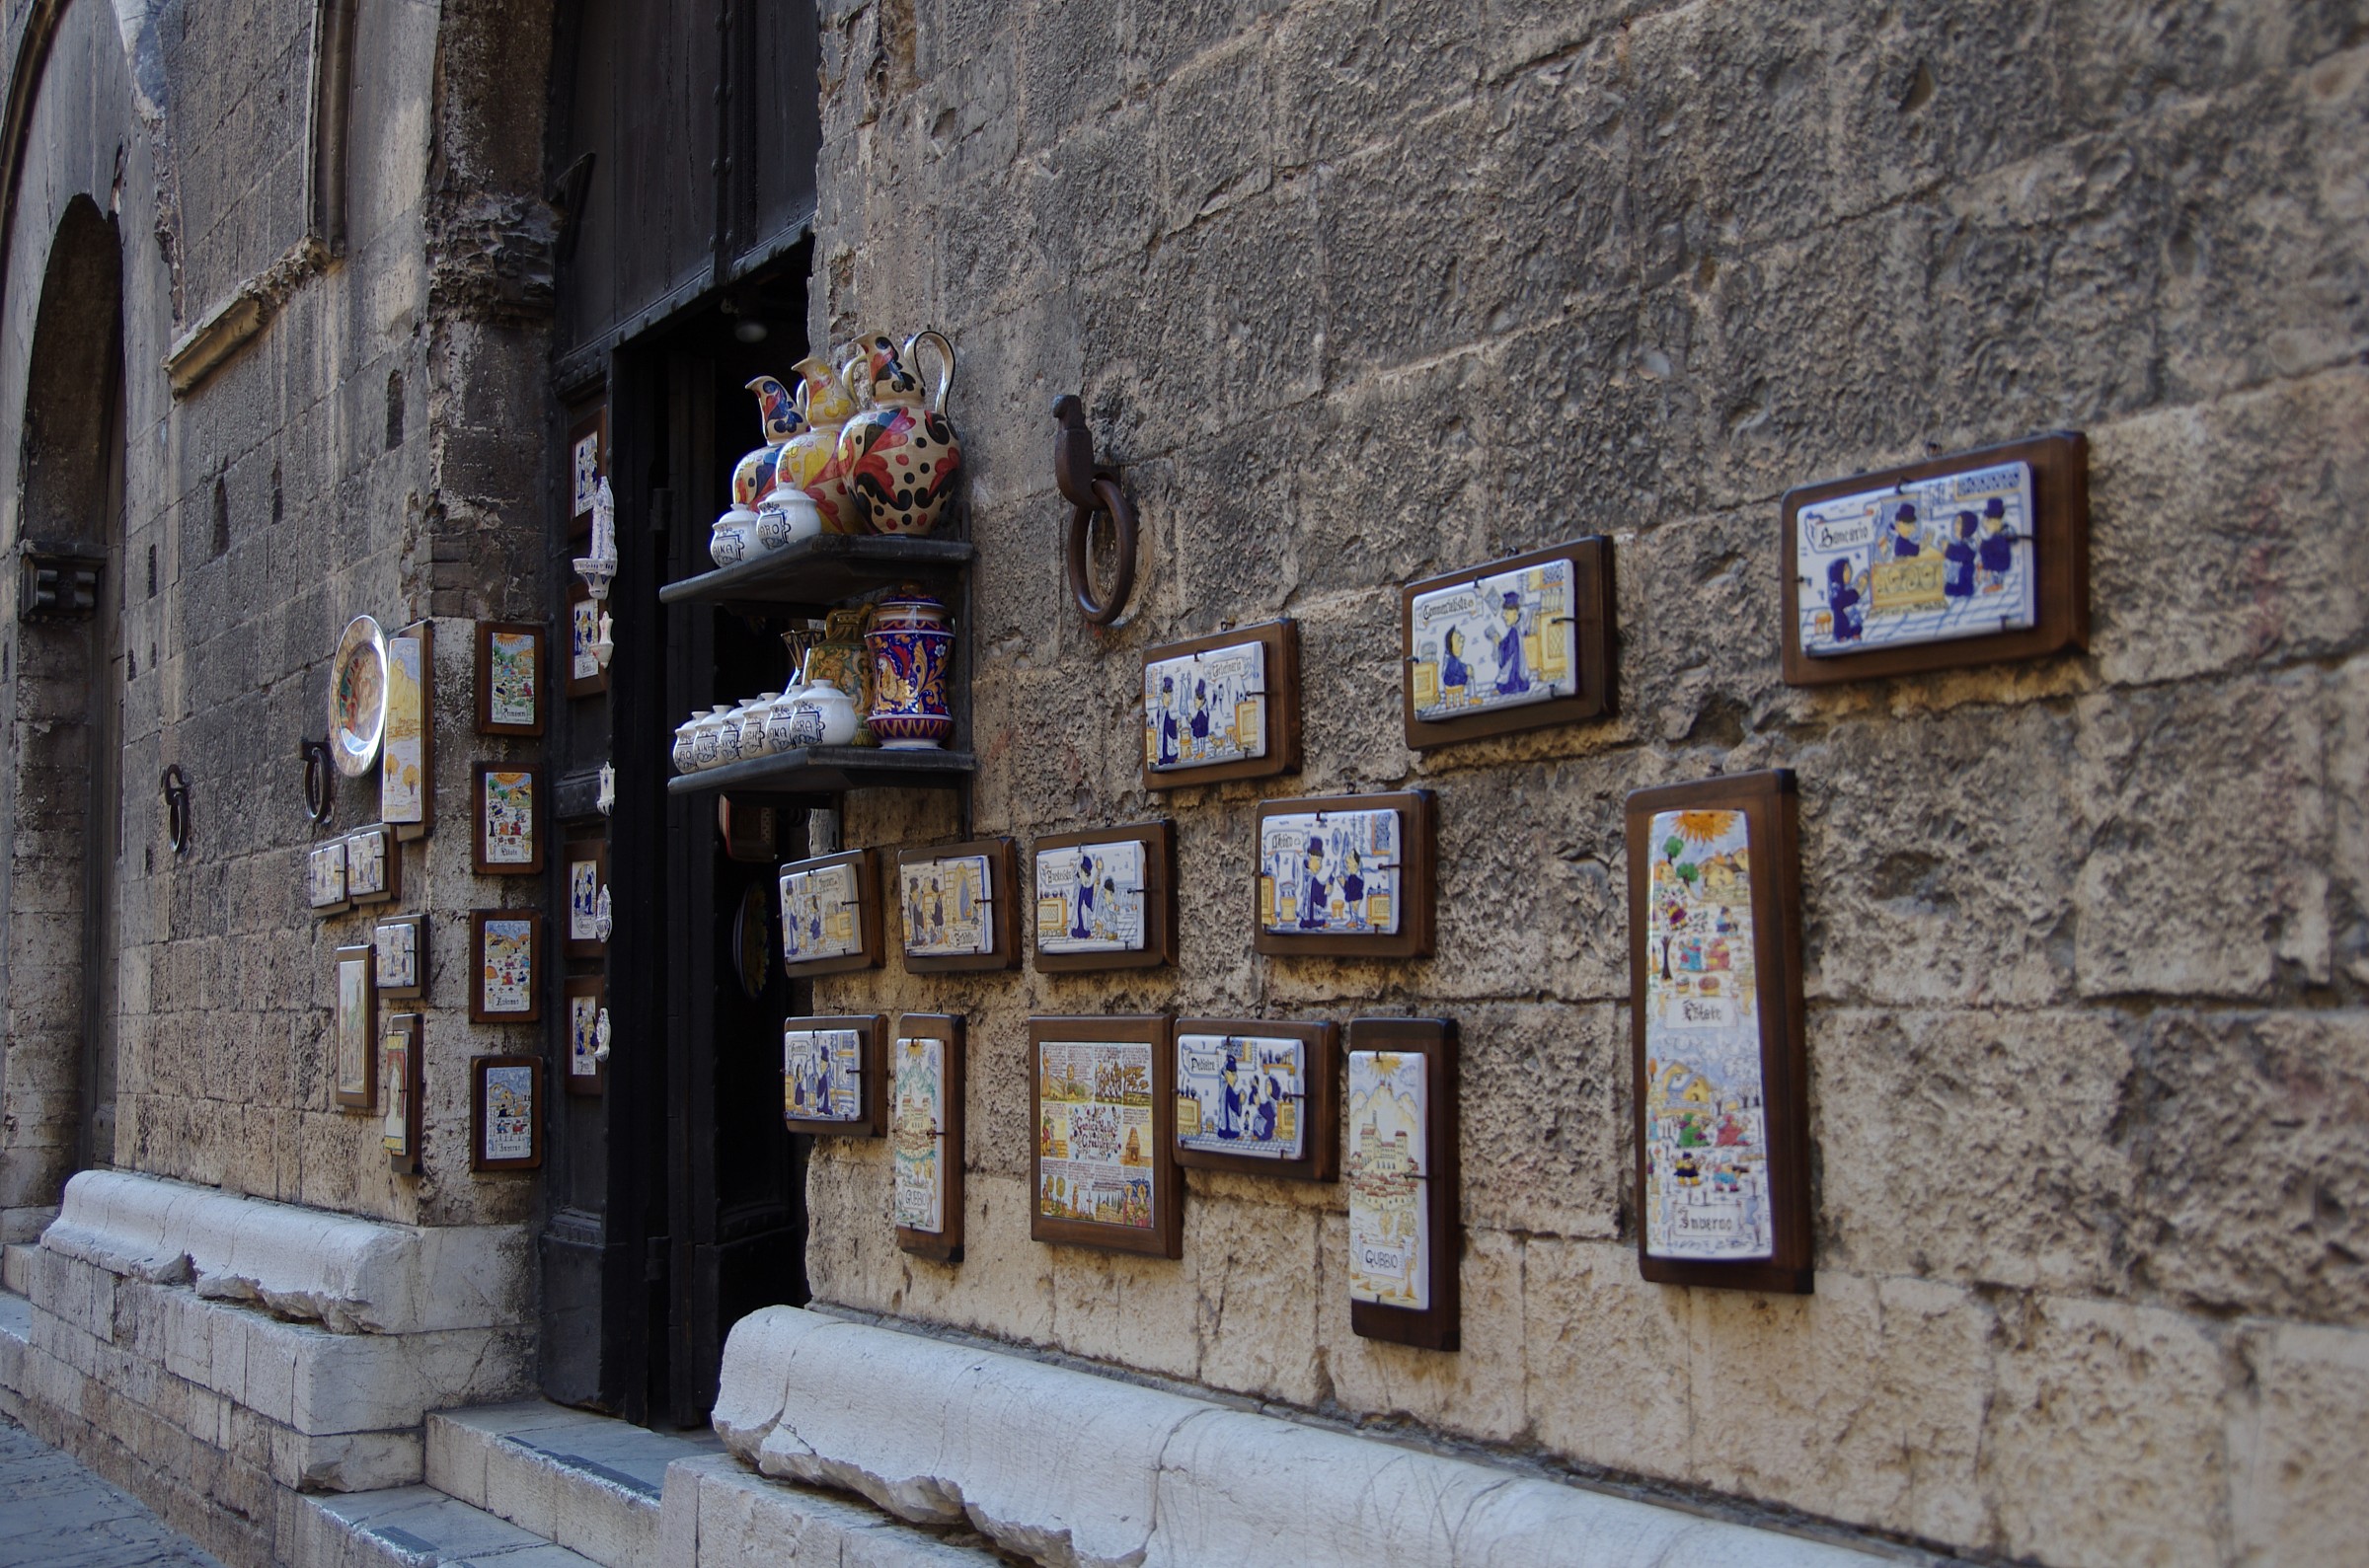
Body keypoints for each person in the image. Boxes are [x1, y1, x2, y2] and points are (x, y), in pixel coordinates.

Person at [1493, 591, 1531, 696]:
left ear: (1514, 613)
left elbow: (1507, 654)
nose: (1503, 616)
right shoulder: (1517, 628)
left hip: (1514, 673)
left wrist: (1499, 645)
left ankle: (1510, 688)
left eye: (1506, 613)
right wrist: (1501, 643)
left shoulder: (1515, 631)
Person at [1977, 493, 2018, 592]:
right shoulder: (1994, 533)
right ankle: (1987, 577)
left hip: (2001, 560)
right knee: (1984, 557)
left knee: (1994, 568)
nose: (1987, 526)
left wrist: (1984, 545)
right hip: (1995, 558)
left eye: (1992, 522)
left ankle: (1997, 584)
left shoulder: (2003, 533)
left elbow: (1999, 545)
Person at [1825, 558, 1865, 642]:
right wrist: (1857, 592)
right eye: (1846, 569)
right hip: (1843, 626)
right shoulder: (1836, 589)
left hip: (1850, 623)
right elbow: (1842, 599)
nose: (1849, 571)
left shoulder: (1844, 587)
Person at [1943, 509, 1979, 600]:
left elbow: (1961, 554)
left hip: (1965, 588)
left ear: (1967, 527)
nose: (1955, 526)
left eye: (1959, 523)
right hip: (1959, 585)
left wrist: (1948, 548)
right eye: (1955, 522)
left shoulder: (1970, 544)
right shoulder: (1964, 543)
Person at [1298, 836, 1330, 929]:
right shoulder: (1310, 878)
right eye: (1318, 860)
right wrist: (1326, 889)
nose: (1320, 865)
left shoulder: (1307, 874)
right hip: (1310, 917)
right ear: (1310, 858)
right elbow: (1319, 899)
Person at [1154, 674, 1180, 765]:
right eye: (1170, 696)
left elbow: (1170, 727)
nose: (1171, 700)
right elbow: (1168, 727)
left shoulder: (1165, 711)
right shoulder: (1159, 711)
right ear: (1164, 695)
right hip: (1162, 749)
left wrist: (1175, 724)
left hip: (1166, 748)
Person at [1069, 852, 1096, 940]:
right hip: (1079, 905)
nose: (1080, 873)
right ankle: (1077, 933)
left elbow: (1089, 901)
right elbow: (1076, 876)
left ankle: (1086, 933)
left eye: (1082, 872)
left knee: (1083, 917)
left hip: (1084, 907)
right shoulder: (1079, 882)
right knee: (1078, 916)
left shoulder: (1088, 885)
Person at [1439, 627, 1469, 698]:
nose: (1461, 645)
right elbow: (1456, 668)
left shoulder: (1452, 658)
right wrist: (1465, 669)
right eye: (1459, 641)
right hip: (1451, 682)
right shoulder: (1451, 660)